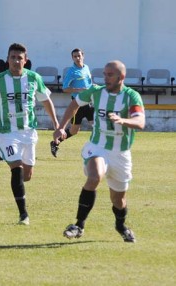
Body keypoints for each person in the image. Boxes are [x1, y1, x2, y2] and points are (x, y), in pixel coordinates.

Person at [53, 60, 145, 243]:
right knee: (94, 177)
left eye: (110, 74)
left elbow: (140, 122)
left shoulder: (131, 97)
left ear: (122, 77)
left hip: (120, 153)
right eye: (104, 74)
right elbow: (74, 105)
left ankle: (120, 226)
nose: (106, 77)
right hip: (97, 147)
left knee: (118, 201)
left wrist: (122, 121)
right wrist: (61, 127)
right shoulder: (96, 92)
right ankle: (78, 225)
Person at [0, 43, 59, 225]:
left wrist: (56, 124)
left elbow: (46, 100)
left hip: (28, 132)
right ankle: (23, 214)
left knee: (27, 176)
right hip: (6, 133)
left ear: (25, 60)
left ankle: (2, 155)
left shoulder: (34, 78)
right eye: (12, 57)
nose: (15, 61)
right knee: (17, 168)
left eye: (19, 58)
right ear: (7, 60)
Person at [50, 48, 93, 157]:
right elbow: (65, 88)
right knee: (74, 131)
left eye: (79, 56)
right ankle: (55, 143)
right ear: (72, 58)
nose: (77, 58)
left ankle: (96, 150)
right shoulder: (71, 71)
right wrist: (78, 90)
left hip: (89, 103)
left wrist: (93, 88)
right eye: (75, 56)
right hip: (77, 104)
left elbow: (89, 83)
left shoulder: (86, 68)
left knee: (97, 126)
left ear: (83, 56)